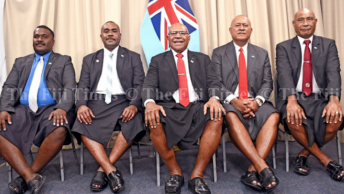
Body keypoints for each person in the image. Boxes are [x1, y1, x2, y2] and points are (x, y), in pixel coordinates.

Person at [0, 25, 76, 194]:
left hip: (51, 108)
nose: (39, 39)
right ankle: (31, 177)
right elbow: (9, 87)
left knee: (60, 128)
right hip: (23, 109)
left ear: (52, 42)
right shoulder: (20, 61)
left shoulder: (63, 60)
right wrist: (4, 109)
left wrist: (62, 108)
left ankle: (25, 176)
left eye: (44, 36)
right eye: (36, 36)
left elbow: (70, 86)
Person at [142, 22, 224, 194]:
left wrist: (215, 98)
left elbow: (213, 82)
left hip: (196, 106)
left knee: (216, 115)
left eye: (182, 33)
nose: (178, 36)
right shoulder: (157, 60)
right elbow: (149, 84)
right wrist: (149, 102)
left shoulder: (202, 59)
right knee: (154, 118)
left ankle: (197, 175)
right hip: (170, 107)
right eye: (174, 33)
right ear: (168, 38)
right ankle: (175, 172)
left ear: (188, 37)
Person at [72, 21, 145, 193]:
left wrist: (134, 105)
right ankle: (111, 170)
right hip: (96, 101)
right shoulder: (89, 59)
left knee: (134, 122)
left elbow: (140, 84)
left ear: (120, 35)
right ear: (101, 36)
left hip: (124, 101)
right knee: (81, 122)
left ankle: (102, 170)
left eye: (114, 31)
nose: (110, 34)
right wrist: (81, 105)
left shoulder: (133, 57)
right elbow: (82, 86)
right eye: (106, 31)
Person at [276, 8, 344, 181]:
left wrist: (334, 100)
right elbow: (283, 74)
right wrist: (291, 101)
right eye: (301, 20)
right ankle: (326, 160)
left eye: (309, 19)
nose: (305, 23)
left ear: (315, 22)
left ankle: (303, 155)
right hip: (295, 97)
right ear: (294, 24)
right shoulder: (283, 47)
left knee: (336, 118)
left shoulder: (328, 44)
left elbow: (333, 72)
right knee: (293, 118)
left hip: (320, 98)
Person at [212, 15, 280, 191]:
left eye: (245, 25)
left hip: (255, 101)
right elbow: (216, 83)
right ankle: (263, 167)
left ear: (251, 30)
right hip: (230, 102)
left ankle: (252, 170)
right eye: (237, 25)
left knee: (273, 115)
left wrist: (257, 101)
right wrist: (234, 101)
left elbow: (267, 83)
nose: (241, 28)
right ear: (230, 30)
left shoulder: (261, 53)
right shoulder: (219, 53)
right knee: (230, 115)